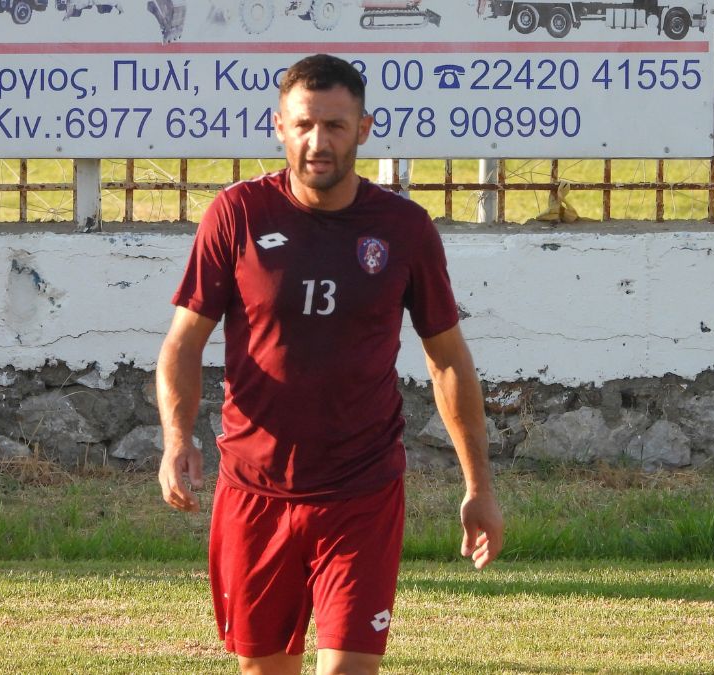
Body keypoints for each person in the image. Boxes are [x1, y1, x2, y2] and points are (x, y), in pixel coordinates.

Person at [156, 53, 503, 675]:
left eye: (336, 126)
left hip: (361, 490)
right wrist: (176, 439)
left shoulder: (403, 228)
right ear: (280, 127)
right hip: (255, 489)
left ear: (363, 129)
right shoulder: (237, 215)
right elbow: (183, 342)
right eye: (304, 124)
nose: (319, 142)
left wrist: (478, 486)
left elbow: (448, 358)